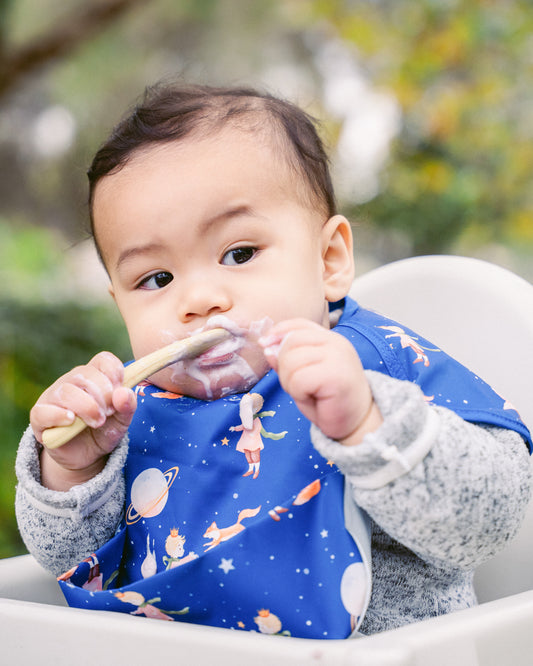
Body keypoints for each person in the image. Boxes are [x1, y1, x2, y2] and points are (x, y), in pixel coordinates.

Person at [15, 83, 531, 640]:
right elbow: (64, 560)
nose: (198, 299)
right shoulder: (129, 411)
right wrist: (73, 470)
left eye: (239, 254)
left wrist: (370, 426)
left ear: (328, 260)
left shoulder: (375, 367)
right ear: (119, 302)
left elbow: (490, 518)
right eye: (156, 279)